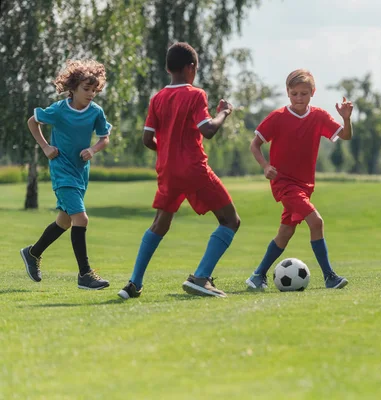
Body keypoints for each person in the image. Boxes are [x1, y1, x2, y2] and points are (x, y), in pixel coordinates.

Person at [117, 42, 239, 300]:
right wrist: (224, 113)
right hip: (194, 169)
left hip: (167, 170)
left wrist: (167, 152)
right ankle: (200, 278)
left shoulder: (157, 98)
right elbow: (208, 130)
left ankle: (134, 283)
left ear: (167, 68)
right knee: (230, 220)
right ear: (191, 68)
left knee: (160, 224)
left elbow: (147, 139)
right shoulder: (195, 94)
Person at [245, 69, 353, 290]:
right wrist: (265, 167)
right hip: (284, 184)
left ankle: (257, 276)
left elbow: (346, 135)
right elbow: (254, 144)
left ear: (312, 92)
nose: (299, 98)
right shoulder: (277, 118)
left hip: (305, 186)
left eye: (304, 93)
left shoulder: (319, 116)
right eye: (294, 93)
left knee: (286, 232)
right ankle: (330, 277)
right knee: (317, 222)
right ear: (287, 93)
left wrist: (346, 119)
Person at [20, 59, 112, 290]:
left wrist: (92, 149)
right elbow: (33, 122)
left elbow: (104, 138)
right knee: (81, 219)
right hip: (62, 170)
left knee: (64, 221)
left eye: (94, 89)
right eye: (86, 89)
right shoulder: (59, 110)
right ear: (73, 88)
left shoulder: (96, 112)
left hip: (81, 172)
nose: (91, 94)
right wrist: (45, 147)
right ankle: (85, 275)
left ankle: (32, 253)